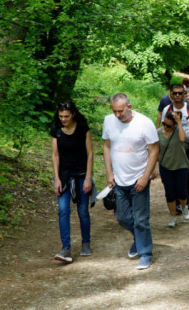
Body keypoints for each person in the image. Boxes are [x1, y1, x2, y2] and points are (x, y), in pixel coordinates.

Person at [103, 93, 159, 270]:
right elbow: (106, 145)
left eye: (121, 111)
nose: (118, 115)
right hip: (119, 179)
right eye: (114, 111)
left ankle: (145, 254)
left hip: (139, 178)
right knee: (122, 217)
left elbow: (154, 151)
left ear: (129, 106)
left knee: (141, 219)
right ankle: (139, 239)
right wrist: (109, 172)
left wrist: (145, 176)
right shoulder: (109, 121)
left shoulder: (144, 123)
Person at [51, 101, 94, 263]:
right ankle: (66, 248)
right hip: (63, 176)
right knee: (63, 210)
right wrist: (56, 178)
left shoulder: (82, 128)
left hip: (81, 174)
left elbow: (90, 153)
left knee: (82, 211)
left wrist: (88, 177)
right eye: (61, 116)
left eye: (66, 116)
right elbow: (55, 155)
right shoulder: (56, 129)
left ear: (73, 114)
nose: (63, 119)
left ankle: (86, 242)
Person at [162, 84, 189, 211]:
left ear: (184, 94)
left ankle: (188, 199)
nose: (178, 95)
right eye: (175, 93)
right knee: (173, 174)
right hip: (173, 148)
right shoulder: (167, 109)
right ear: (171, 94)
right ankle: (177, 201)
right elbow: (163, 128)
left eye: (180, 93)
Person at [153, 110, 189, 228]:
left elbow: (182, 139)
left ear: (174, 125)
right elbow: (154, 152)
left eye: (168, 125)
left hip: (180, 166)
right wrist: (153, 169)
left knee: (182, 193)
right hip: (165, 166)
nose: (165, 127)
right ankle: (173, 216)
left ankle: (184, 207)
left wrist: (179, 123)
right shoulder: (158, 133)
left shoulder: (178, 131)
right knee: (169, 193)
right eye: (164, 123)